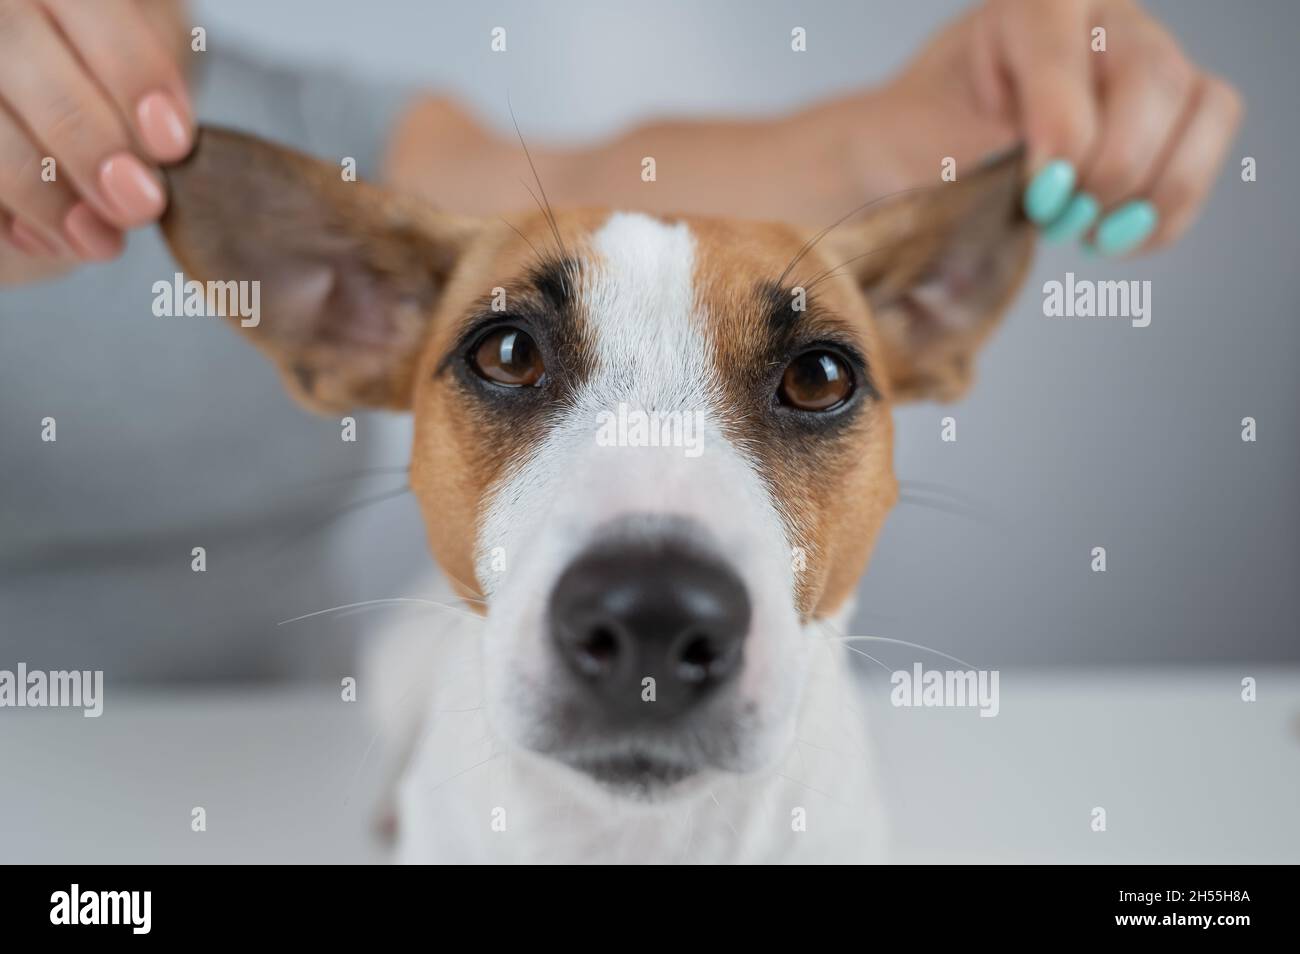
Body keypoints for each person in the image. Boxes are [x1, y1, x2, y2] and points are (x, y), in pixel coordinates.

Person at [0, 0, 1241, 679]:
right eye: (509, 361)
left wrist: (901, 139)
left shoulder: (287, 119)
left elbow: (596, 210)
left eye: (812, 378)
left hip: (256, 771)